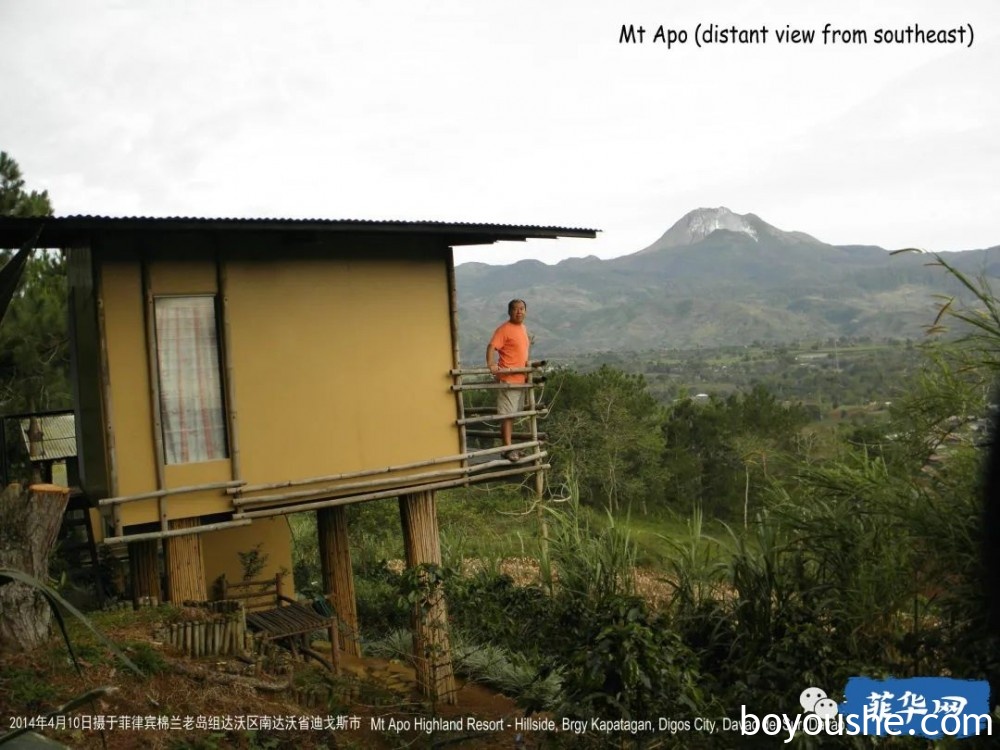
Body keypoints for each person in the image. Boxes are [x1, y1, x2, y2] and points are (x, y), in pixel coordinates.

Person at [486, 299, 530, 461]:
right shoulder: (504, 329)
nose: (519, 312)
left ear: (526, 311)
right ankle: (507, 449)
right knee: (507, 415)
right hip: (508, 379)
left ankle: (510, 448)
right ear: (509, 312)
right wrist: (491, 364)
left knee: (512, 415)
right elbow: (491, 346)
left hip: (520, 378)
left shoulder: (523, 329)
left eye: (522, 309)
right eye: (515, 309)